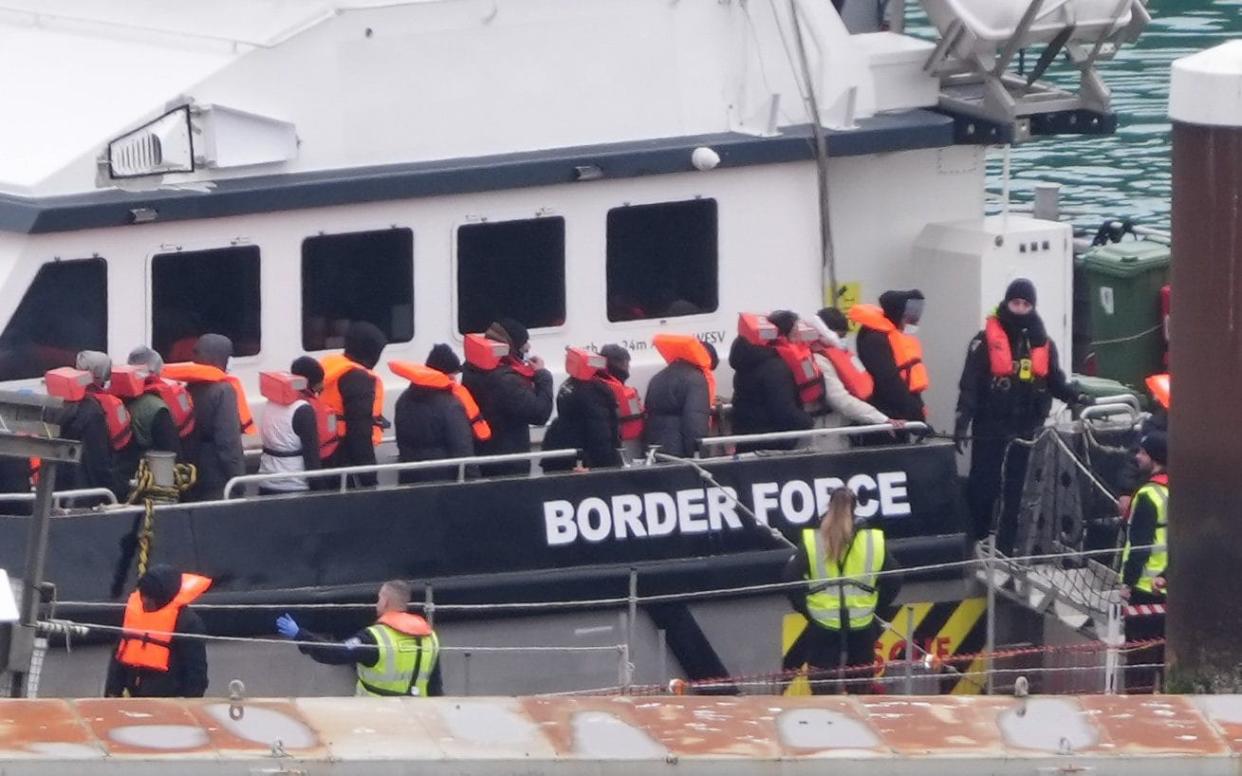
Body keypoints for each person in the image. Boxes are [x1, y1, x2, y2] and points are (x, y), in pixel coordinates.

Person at [954, 279, 1087, 551]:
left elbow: (1054, 381)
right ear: (1006, 302)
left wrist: (1075, 395)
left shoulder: (1042, 342)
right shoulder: (983, 341)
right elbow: (970, 384)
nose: (1020, 308)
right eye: (1015, 302)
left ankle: (1007, 546)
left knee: (1018, 490)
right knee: (984, 483)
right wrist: (962, 420)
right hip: (991, 423)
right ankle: (976, 537)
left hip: (1027, 426)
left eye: (1026, 304)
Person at [781, 488, 900, 694]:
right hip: (862, 626)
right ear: (856, 509)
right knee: (860, 693)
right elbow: (895, 579)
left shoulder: (813, 541)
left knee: (823, 694)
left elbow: (790, 579)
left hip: (822, 627)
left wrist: (807, 609)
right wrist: (875, 606)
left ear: (829, 507)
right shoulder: (873, 541)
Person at [277, 579, 442, 697]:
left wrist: (301, 635)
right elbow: (435, 687)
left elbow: (335, 653)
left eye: (379, 598)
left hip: (375, 717)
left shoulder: (375, 638)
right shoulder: (430, 638)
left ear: (385, 602)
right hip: (417, 720)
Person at [461, 318, 554, 477]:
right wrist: (543, 376)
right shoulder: (505, 380)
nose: (528, 348)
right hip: (508, 463)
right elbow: (540, 413)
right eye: (524, 344)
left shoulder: (472, 369)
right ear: (512, 347)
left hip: (484, 456)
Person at [105, 565, 211, 698]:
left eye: (150, 598)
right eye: (143, 595)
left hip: (169, 701)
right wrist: (112, 693)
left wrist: (189, 705)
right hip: (133, 697)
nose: (145, 601)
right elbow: (118, 657)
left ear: (162, 597)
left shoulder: (188, 623)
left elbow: (196, 674)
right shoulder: (133, 615)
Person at [167, 334, 247, 502]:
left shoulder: (188, 387)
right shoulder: (223, 391)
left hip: (192, 467)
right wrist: (239, 480)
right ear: (220, 357)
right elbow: (228, 441)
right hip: (216, 474)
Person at [806, 309, 901, 449]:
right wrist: (881, 419)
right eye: (840, 335)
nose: (843, 340)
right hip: (823, 435)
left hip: (838, 429)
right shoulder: (818, 361)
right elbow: (840, 399)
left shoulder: (837, 356)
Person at [1119, 431, 1168, 692]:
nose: (1137, 457)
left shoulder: (1149, 495)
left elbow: (1139, 545)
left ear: (1154, 458)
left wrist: (1127, 582)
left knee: (1139, 659)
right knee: (1165, 659)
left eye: (1142, 453)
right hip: (1169, 588)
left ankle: (1138, 709)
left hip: (1145, 588)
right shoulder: (1175, 490)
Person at [392, 344, 480, 483]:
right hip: (443, 481)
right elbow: (462, 449)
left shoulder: (404, 399)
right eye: (453, 375)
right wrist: (474, 481)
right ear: (444, 374)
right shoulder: (451, 405)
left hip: (409, 478)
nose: (454, 380)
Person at [727, 310, 814, 452]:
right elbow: (784, 411)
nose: (799, 338)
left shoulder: (749, 359)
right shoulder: (775, 368)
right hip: (771, 444)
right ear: (783, 336)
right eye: (795, 333)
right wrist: (808, 421)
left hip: (748, 438)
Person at [320, 322, 388, 487]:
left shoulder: (330, 367)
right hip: (345, 459)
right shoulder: (358, 379)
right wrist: (369, 478)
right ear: (370, 352)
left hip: (326, 453)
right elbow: (360, 432)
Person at [53, 351, 129, 495]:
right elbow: (100, 463)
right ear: (104, 374)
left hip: (57, 488)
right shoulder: (95, 410)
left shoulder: (59, 402)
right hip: (86, 493)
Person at [850, 290, 929, 422]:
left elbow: (907, 375)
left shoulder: (894, 336)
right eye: (909, 316)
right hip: (885, 414)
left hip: (900, 413)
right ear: (897, 313)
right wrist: (914, 415)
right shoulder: (874, 338)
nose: (913, 321)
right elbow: (888, 380)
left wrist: (917, 408)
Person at [542, 348, 623, 472]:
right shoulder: (594, 391)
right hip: (585, 459)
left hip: (563, 453)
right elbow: (599, 432)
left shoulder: (567, 385)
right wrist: (603, 465)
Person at [114, 347, 183, 490]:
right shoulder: (157, 407)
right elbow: (172, 451)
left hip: (121, 477)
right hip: (148, 481)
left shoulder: (115, 399)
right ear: (156, 370)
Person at [258, 357, 328, 494]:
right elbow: (311, 457)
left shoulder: (271, 403)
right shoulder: (303, 410)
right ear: (312, 384)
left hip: (266, 480)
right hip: (294, 485)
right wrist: (320, 490)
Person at [644, 334, 718, 458]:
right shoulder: (696, 380)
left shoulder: (657, 378)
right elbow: (695, 423)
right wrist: (699, 453)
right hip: (679, 451)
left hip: (653, 448)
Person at [596, 344, 644, 459]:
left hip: (605, 440)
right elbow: (635, 412)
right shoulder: (627, 393)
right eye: (627, 363)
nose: (628, 367)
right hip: (626, 442)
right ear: (620, 364)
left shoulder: (594, 382)